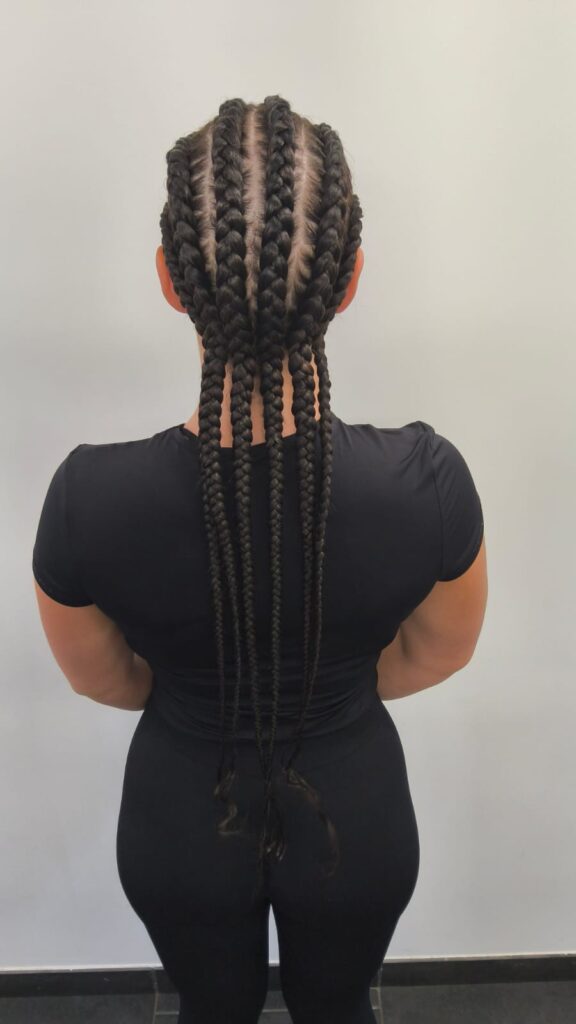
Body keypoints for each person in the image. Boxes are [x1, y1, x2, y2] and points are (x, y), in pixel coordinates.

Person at [32, 95, 488, 1024]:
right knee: (340, 1011)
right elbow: (440, 652)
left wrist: (215, 694)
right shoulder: (426, 483)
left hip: (177, 815)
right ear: (350, 278)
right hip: (354, 809)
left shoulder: (88, 501)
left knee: (210, 1013)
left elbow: (102, 678)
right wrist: (325, 692)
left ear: (169, 279)